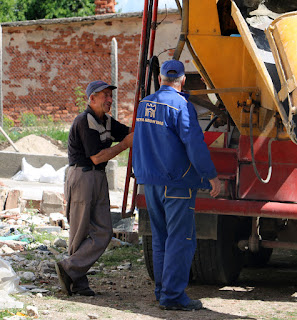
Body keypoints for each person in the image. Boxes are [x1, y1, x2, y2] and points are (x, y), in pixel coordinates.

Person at [132, 60, 220, 311]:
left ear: (160, 79)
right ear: (182, 81)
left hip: (150, 181)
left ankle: (162, 292)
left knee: (160, 238)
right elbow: (194, 144)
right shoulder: (181, 105)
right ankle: (172, 295)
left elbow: (139, 140)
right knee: (180, 239)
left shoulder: (144, 104)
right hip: (176, 184)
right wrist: (210, 175)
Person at [55, 80, 133, 296]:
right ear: (92, 99)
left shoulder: (105, 120)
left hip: (98, 178)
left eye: (111, 95)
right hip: (83, 176)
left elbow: (128, 131)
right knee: (79, 232)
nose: (110, 99)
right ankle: (77, 283)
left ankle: (69, 268)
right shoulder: (84, 121)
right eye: (105, 95)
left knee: (104, 231)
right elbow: (97, 157)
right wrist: (125, 144)